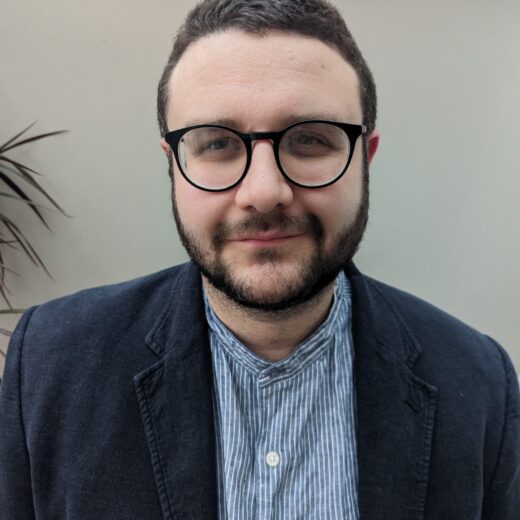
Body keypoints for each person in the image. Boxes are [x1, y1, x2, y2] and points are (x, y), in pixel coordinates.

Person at [1, 0, 518, 518]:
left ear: (365, 158)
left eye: (311, 140)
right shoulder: (50, 365)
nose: (265, 191)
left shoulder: (479, 383)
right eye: (218, 143)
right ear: (174, 167)